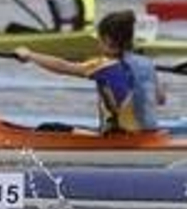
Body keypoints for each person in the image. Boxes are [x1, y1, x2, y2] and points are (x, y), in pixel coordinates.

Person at [14, 10, 164, 134]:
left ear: (106, 39)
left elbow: (63, 66)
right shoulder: (146, 64)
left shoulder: (102, 65)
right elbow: (160, 99)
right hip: (149, 135)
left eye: (98, 39)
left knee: (46, 128)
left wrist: (30, 55)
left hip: (117, 139)